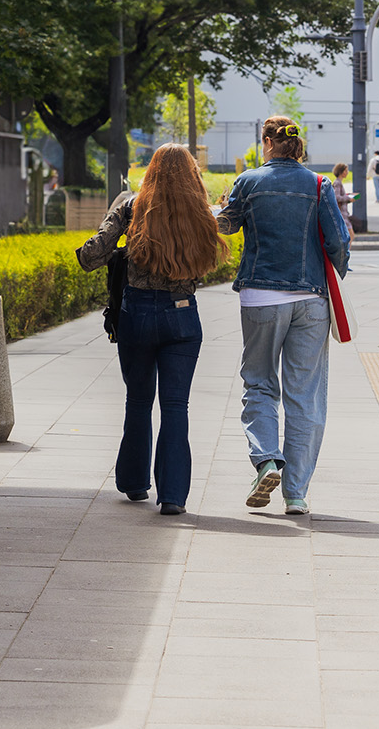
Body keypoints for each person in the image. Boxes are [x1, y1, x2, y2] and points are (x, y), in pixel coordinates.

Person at [78, 143, 228, 517]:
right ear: (192, 175)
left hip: (137, 314)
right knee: (176, 405)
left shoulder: (132, 206)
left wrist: (116, 222)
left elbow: (91, 257)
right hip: (182, 315)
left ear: (151, 171)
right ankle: (173, 495)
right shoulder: (200, 211)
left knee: (138, 400)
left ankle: (133, 482)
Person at [215, 116, 349, 515]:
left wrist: (219, 208)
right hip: (311, 299)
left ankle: (267, 461)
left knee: (259, 383)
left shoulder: (249, 181)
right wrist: (336, 276)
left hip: (260, 298)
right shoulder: (319, 184)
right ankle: (296, 494)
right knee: (305, 395)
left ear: (267, 143)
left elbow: (227, 225)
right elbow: (338, 241)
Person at [330, 162, 354, 247]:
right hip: (341, 213)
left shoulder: (338, 182)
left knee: (348, 235)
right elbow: (337, 197)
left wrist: (348, 197)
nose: (347, 172)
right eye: (346, 171)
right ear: (341, 172)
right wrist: (348, 198)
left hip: (343, 213)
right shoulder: (337, 183)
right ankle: (345, 252)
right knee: (350, 234)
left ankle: (345, 252)